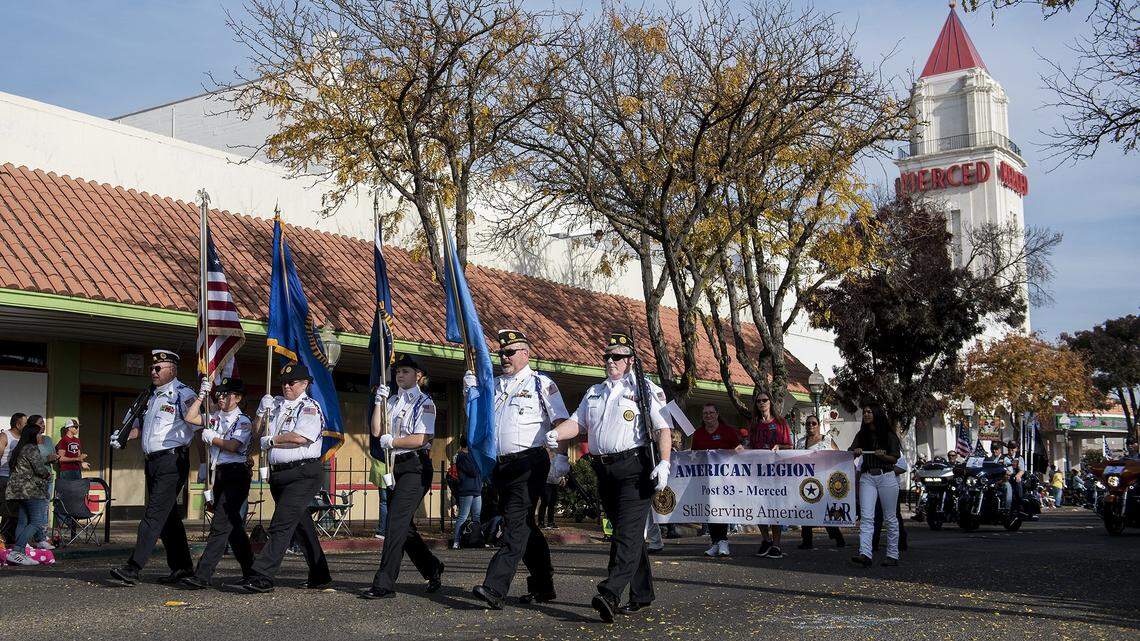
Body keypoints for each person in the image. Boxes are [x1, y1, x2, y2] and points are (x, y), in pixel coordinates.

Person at [547, 331, 672, 623]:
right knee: (624, 534)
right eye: (607, 356)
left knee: (627, 535)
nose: (610, 361)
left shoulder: (645, 390)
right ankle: (641, 594)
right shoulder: (595, 392)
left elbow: (663, 428)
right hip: (604, 470)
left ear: (630, 361)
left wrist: (664, 463)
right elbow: (577, 423)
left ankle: (610, 592)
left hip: (634, 468)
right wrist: (556, 434)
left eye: (616, 357)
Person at [469, 329, 569, 610]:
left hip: (530, 463)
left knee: (514, 525)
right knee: (525, 525)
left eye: (510, 352)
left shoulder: (541, 384)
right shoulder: (495, 384)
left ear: (525, 354)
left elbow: (560, 420)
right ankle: (543, 584)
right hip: (502, 465)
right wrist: (472, 394)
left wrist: (561, 458)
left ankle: (495, 587)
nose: (504, 357)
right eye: (501, 352)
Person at [226, 361, 331, 593]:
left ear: (304, 384)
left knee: (281, 524)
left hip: (303, 472)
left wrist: (273, 440)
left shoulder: (310, 407)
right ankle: (320, 574)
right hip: (280, 474)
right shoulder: (275, 405)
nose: (286, 386)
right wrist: (261, 413)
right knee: (301, 526)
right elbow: (255, 432)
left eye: (291, 382)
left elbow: (302, 437)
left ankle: (262, 575)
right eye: (283, 382)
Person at [108, 350, 199, 586]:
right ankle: (182, 567)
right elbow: (138, 427)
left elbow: (200, 425)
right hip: (152, 461)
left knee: (153, 515)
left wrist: (204, 465)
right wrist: (124, 436)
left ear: (173, 370)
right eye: (152, 368)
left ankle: (133, 567)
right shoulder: (148, 396)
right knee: (168, 517)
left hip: (173, 461)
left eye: (159, 368)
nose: (153, 371)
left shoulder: (183, 394)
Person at [361, 355, 445, 599]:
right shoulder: (392, 401)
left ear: (419, 375)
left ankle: (384, 583)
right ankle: (432, 567)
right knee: (403, 527)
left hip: (415, 468)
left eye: (406, 371)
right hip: (394, 466)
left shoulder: (424, 402)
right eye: (398, 371)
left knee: (394, 523)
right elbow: (377, 430)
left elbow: (422, 438)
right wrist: (379, 402)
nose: (400, 375)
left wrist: (394, 441)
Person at [179, 377, 255, 589]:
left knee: (220, 525)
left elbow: (234, 446)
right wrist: (202, 395)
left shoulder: (243, 421)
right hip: (218, 473)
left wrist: (212, 438)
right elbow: (190, 417)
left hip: (236, 474)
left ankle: (202, 574)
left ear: (238, 398)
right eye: (219, 394)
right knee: (234, 528)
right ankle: (252, 571)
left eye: (226, 394)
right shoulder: (214, 417)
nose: (221, 398)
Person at [848, 404, 901, 567]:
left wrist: (883, 456)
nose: (866, 414)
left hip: (886, 476)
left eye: (870, 411)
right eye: (864, 412)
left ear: (877, 414)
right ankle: (865, 553)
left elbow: (894, 458)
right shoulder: (862, 434)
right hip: (867, 476)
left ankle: (892, 554)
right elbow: (850, 451)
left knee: (890, 517)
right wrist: (855, 451)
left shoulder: (888, 435)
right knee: (866, 517)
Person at [743, 392, 791, 558]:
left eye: (765, 400)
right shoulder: (754, 424)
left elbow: (790, 447)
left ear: (770, 402)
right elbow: (750, 445)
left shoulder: (780, 422)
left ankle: (777, 544)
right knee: (758, 507)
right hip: (757, 472)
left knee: (774, 508)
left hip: (776, 472)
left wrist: (779, 446)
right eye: (758, 401)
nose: (762, 403)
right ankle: (766, 539)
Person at [690, 403, 739, 557]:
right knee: (710, 509)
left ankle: (723, 541)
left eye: (711, 413)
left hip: (725, 478)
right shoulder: (698, 434)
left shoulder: (728, 432)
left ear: (717, 414)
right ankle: (715, 542)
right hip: (706, 479)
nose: (708, 415)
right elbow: (694, 455)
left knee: (721, 508)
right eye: (705, 413)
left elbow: (739, 451)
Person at [4, 416, 52, 565]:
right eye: (38, 434)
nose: (40, 437)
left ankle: (20, 553)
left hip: (18, 491)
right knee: (37, 522)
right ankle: (17, 551)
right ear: (33, 435)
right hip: (30, 490)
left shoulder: (20, 447)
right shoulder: (31, 448)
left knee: (23, 521)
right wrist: (47, 472)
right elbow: (39, 469)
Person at [798, 414, 845, 550]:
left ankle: (837, 537)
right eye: (808, 424)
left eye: (813, 423)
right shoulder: (801, 442)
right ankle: (807, 540)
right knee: (805, 510)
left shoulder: (827, 440)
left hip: (823, 481)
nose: (810, 426)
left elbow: (838, 456)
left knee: (825, 510)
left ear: (818, 425)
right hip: (806, 481)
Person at [0, 413, 28, 546]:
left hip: (17, 481)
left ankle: (8, 538)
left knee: (15, 513)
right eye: (25, 423)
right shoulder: (5, 436)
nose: (27, 426)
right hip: (4, 478)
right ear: (18, 424)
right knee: (6, 510)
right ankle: (4, 538)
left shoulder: (23, 438)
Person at [452, 437, 483, 549]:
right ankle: (456, 541)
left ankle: (476, 539)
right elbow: (473, 471)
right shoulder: (462, 456)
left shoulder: (474, 454)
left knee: (477, 516)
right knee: (463, 516)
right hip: (466, 489)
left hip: (477, 489)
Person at [538, 450, 565, 530]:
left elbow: (561, 468)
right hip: (546, 482)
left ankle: (551, 522)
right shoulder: (544, 457)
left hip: (555, 482)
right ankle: (541, 522)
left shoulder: (558, 457)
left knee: (552, 503)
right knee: (545, 501)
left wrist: (562, 478)